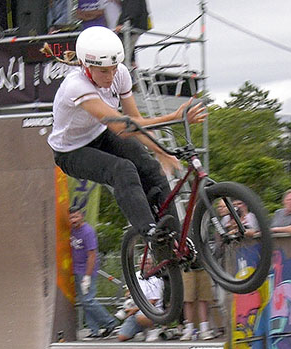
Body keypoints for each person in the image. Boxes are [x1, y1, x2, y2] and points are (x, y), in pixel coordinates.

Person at [48, 26, 207, 250]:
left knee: (152, 169)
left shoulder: (120, 74)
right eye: (103, 71)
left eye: (113, 69)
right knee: (122, 169)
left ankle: (178, 243)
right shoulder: (76, 86)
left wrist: (161, 153)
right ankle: (150, 232)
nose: (110, 77)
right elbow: (123, 127)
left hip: (101, 134)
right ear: (86, 66)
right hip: (71, 151)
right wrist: (174, 117)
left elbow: (135, 119)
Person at [69, 205, 118, 338]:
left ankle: (110, 322)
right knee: (85, 302)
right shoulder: (71, 231)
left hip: (86, 270)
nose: (74, 220)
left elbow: (92, 255)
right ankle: (94, 330)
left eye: (76, 216)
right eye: (71, 217)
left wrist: (88, 276)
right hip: (76, 269)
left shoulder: (88, 231)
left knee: (88, 300)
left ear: (81, 216)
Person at [116, 259, 163, 342]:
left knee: (141, 317)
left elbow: (153, 301)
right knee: (121, 337)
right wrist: (128, 297)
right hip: (136, 308)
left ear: (152, 264)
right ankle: (141, 330)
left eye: (147, 263)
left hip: (152, 310)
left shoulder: (156, 278)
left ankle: (153, 329)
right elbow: (128, 291)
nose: (144, 265)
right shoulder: (135, 276)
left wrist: (134, 309)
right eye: (142, 263)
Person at [179, 268, 215, 341]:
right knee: (188, 299)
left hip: (203, 267)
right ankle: (189, 329)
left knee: (203, 298)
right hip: (187, 268)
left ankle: (204, 329)